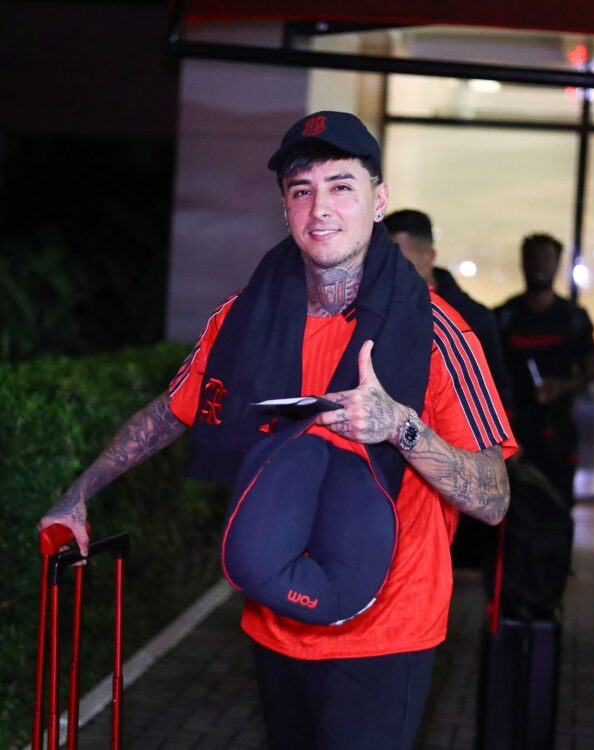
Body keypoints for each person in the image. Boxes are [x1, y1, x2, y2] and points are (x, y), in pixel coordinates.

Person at [39, 111, 516, 750]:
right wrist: (77, 495)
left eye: (342, 186)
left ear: (378, 201)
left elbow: (494, 497)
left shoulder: (440, 334)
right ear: (285, 209)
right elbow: (169, 412)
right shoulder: (243, 319)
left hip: (386, 632)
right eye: (301, 189)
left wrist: (401, 427)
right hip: (276, 617)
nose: (321, 208)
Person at [495, 232, 594, 508]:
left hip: (560, 433)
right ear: (523, 263)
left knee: (558, 506)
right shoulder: (505, 317)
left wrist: (560, 387)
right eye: (533, 259)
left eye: (546, 259)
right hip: (514, 432)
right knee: (514, 511)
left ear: (557, 264)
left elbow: (591, 371)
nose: (539, 266)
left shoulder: (574, 318)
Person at [384, 209, 512, 410]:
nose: (391, 270)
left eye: (402, 262)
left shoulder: (472, 319)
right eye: (384, 261)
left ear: (429, 257)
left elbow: (498, 397)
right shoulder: (378, 312)